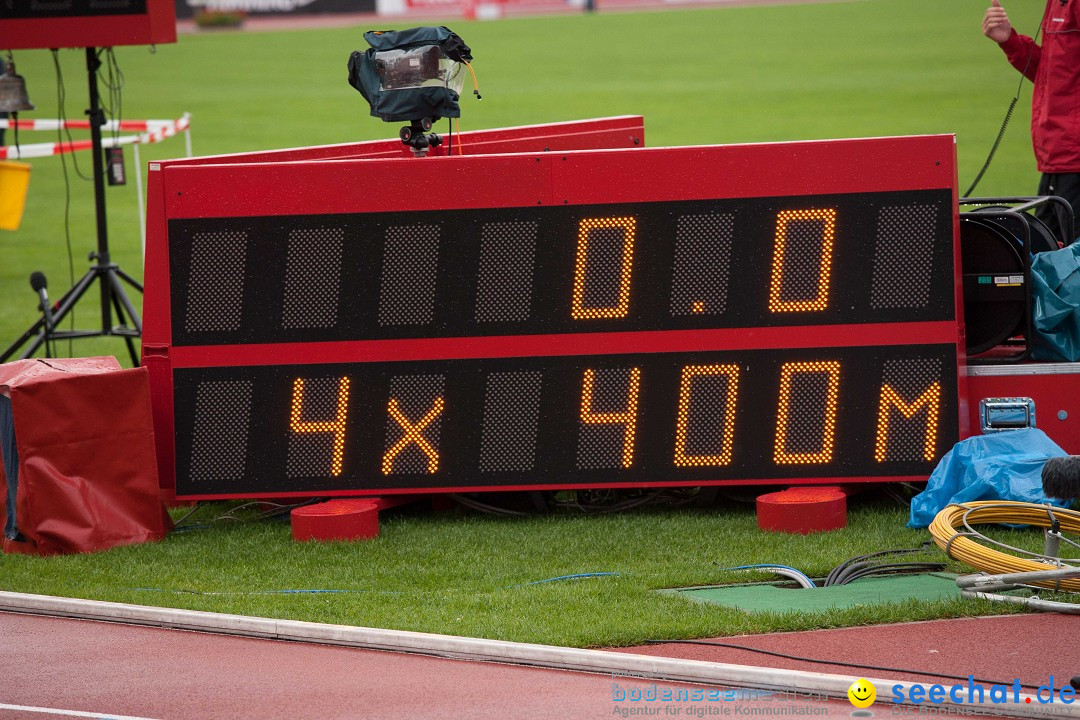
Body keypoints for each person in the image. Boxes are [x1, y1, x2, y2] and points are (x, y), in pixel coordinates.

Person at [982, 0, 1080, 245]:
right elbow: (1054, 75)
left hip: (1073, 156)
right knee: (1046, 257)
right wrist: (1009, 41)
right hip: (1056, 157)